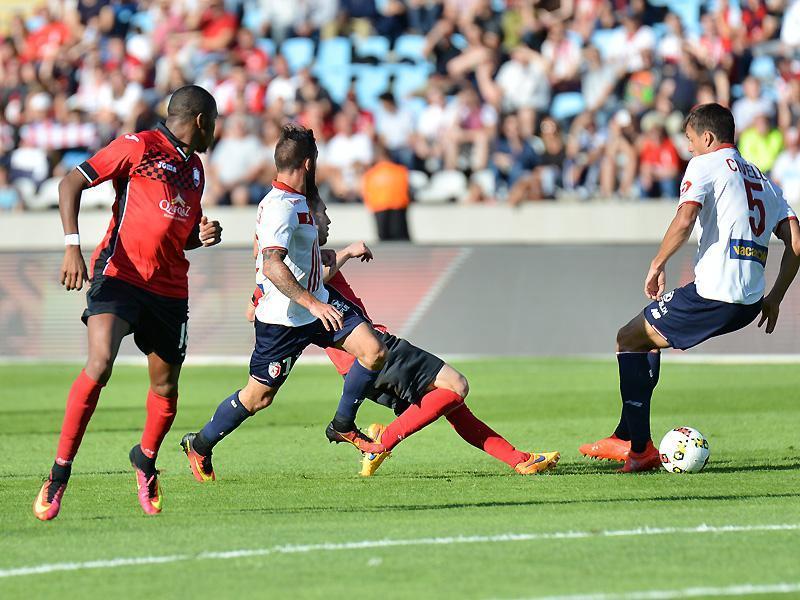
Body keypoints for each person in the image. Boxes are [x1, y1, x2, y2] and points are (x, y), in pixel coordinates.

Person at [190, 203, 559, 482]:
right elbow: (309, 280)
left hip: (359, 371)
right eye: (322, 214)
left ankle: (519, 460)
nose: (327, 221)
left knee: (451, 404)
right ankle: (382, 443)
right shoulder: (304, 263)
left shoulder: (295, 267)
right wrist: (346, 254)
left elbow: (254, 307)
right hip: (375, 352)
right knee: (456, 385)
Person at [32, 85, 222, 520]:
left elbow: (179, 233)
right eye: (213, 123)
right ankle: (59, 474)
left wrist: (201, 235)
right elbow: (71, 182)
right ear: (200, 121)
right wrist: (72, 245)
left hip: (169, 289)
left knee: (166, 388)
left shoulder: (195, 170)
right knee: (100, 363)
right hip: (120, 275)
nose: (214, 132)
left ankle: (146, 461)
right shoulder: (139, 146)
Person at [579, 103, 800, 473]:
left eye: (690, 139)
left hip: (714, 293)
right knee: (644, 338)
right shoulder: (763, 179)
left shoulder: (705, 164)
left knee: (628, 339)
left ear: (708, 137)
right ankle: (626, 434)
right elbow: (796, 242)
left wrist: (657, 262)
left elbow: (685, 219)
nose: (689, 147)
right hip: (749, 303)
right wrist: (775, 296)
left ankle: (639, 448)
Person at [179, 124, 389, 482]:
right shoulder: (279, 207)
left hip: (316, 303)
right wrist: (310, 304)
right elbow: (272, 263)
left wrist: (331, 258)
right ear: (308, 163)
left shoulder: (296, 200)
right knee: (258, 398)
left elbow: (289, 255)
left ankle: (343, 424)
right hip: (284, 320)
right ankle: (199, 445)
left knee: (373, 351)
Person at [361, 144, 411, 241]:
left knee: (384, 243)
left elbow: (366, 195)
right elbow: (407, 191)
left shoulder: (370, 174)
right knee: (401, 241)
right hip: (399, 208)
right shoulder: (401, 170)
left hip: (379, 209)